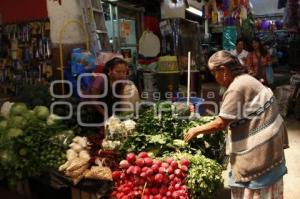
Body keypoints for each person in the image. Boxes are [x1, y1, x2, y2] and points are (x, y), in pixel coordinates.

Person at [184, 50, 289, 199]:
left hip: (263, 146)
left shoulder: (236, 87)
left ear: (223, 70)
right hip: (272, 138)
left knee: (254, 184)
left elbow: (221, 123)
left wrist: (196, 129)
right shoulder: (245, 78)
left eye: (214, 73)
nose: (215, 78)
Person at [89, 57, 139, 126]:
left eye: (124, 72)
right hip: (99, 115)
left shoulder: (120, 81)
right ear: (110, 70)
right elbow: (93, 101)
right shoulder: (101, 80)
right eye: (118, 71)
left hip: (113, 115)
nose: (122, 75)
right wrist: (105, 115)